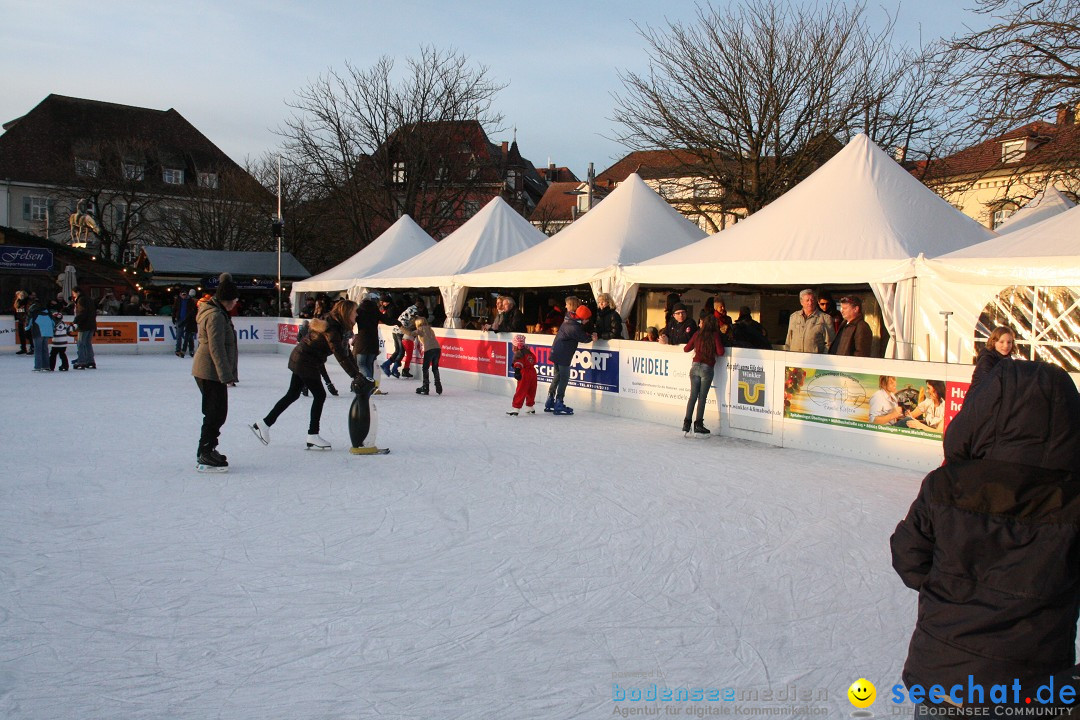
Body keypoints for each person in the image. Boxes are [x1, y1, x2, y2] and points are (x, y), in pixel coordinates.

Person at [890, 360, 1080, 716]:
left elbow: (909, 558)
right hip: (1031, 687)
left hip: (943, 677)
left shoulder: (946, 484)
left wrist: (954, 591)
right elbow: (909, 556)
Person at [252, 299, 361, 451]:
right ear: (347, 313)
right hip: (305, 361)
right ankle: (313, 435)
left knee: (292, 394)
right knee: (319, 395)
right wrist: (355, 375)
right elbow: (339, 354)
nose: (357, 314)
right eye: (355, 311)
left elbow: (346, 352)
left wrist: (357, 373)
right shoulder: (333, 328)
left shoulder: (336, 325)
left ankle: (264, 424)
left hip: (303, 358)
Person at [191, 273, 239, 472]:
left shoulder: (216, 312)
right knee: (215, 412)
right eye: (235, 300)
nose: (236, 304)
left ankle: (208, 448)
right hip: (210, 370)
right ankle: (205, 451)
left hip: (209, 370)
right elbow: (216, 347)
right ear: (227, 300)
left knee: (217, 412)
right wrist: (225, 374)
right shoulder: (215, 316)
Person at [545, 297, 596, 415]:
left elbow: (578, 327)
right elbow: (584, 338)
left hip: (556, 352)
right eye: (586, 319)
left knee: (557, 376)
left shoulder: (569, 318)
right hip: (563, 355)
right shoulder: (574, 326)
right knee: (564, 378)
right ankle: (559, 402)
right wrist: (591, 337)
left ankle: (550, 400)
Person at [683, 311, 725, 435]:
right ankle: (698, 424)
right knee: (702, 397)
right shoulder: (715, 335)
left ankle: (686, 423)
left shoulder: (697, 334)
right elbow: (721, 352)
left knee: (692, 396)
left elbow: (686, 349)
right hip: (707, 368)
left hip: (695, 367)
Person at [969, 325, 1016, 395]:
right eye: (1001, 342)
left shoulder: (1008, 360)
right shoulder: (986, 359)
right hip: (980, 401)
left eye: (1009, 342)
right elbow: (988, 383)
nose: (1006, 346)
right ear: (994, 342)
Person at [786, 289, 835, 353]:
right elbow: (789, 340)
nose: (810, 303)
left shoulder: (825, 318)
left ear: (815, 301)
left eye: (812, 300)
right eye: (807, 300)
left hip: (815, 360)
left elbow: (829, 343)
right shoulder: (794, 317)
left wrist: (823, 358)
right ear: (801, 302)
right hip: (795, 359)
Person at [351, 297, 382, 385]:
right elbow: (387, 320)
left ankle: (369, 384)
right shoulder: (376, 311)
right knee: (369, 364)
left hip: (362, 341)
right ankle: (370, 384)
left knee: (361, 364)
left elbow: (351, 321)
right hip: (374, 341)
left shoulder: (359, 311)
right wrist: (399, 324)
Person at [507, 334, 538, 416]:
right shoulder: (529, 351)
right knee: (531, 390)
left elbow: (518, 362)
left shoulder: (519, 353)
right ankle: (530, 406)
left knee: (521, 390)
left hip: (524, 373)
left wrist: (517, 370)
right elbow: (534, 360)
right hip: (533, 373)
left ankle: (516, 408)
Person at [412, 315, 442, 395]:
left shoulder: (420, 329)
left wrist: (401, 328)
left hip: (429, 350)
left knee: (425, 368)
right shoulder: (430, 329)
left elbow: (410, 333)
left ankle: (425, 386)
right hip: (437, 349)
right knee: (435, 368)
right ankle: (438, 385)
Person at [71, 286, 97, 370]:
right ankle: (90, 361)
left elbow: (82, 313)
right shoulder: (89, 299)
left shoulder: (81, 300)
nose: (73, 295)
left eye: (73, 293)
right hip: (91, 324)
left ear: (77, 292)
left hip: (84, 325)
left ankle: (81, 361)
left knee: (81, 343)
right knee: (87, 343)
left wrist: (75, 321)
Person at [27, 300, 53, 371]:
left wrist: (26, 328)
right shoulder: (47, 311)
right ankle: (46, 366)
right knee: (45, 349)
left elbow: (29, 322)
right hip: (47, 332)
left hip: (38, 332)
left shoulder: (33, 312)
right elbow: (53, 322)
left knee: (38, 350)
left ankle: (37, 366)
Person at [172, 290, 197, 358]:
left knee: (189, 336)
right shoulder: (178, 300)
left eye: (185, 294)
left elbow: (194, 310)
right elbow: (174, 309)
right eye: (183, 294)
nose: (184, 296)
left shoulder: (190, 301)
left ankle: (191, 350)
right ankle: (178, 350)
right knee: (179, 335)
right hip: (180, 319)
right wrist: (173, 317)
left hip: (188, 320)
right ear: (180, 294)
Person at [13, 290, 31, 354]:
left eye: (23, 295)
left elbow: (29, 310)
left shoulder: (27, 301)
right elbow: (15, 310)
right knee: (21, 335)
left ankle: (32, 347)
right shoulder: (17, 301)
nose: (21, 296)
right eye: (20, 295)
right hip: (20, 320)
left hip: (27, 320)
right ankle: (23, 348)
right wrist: (16, 318)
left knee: (28, 334)